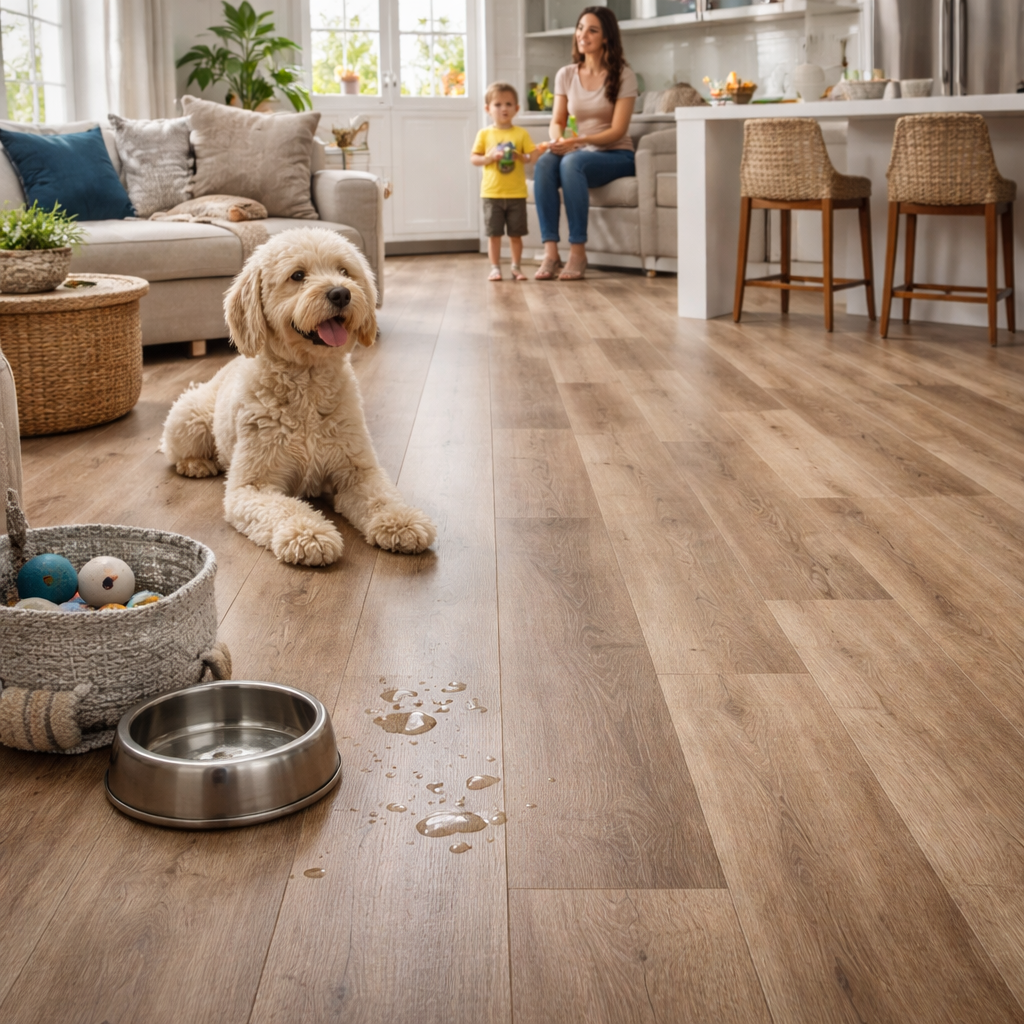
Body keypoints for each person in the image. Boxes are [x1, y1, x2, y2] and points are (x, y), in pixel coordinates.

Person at [533, 6, 638, 281]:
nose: (583, 35)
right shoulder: (566, 74)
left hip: (616, 154)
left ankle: (578, 252)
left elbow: (618, 130)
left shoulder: (623, 75)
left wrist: (578, 141)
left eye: (592, 30)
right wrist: (559, 140)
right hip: (581, 150)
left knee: (571, 161)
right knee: (545, 163)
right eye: (580, 28)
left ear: (606, 38)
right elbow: (557, 119)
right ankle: (551, 252)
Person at [471, 82, 543, 282]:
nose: (504, 108)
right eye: (498, 104)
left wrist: (522, 158)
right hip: (491, 194)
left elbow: (533, 154)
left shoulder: (520, 134)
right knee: (494, 235)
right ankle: (495, 268)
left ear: (517, 108)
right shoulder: (484, 134)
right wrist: (489, 158)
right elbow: (474, 158)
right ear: (488, 109)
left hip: (516, 194)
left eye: (509, 104)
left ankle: (516, 267)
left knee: (516, 235)